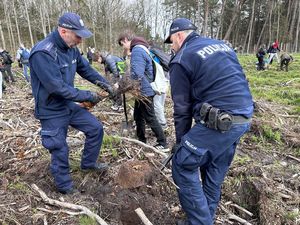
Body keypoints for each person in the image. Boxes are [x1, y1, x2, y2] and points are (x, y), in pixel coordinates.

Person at [164, 18, 253, 225]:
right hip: (243, 117)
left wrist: (181, 142)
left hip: (221, 121)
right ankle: (205, 218)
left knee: (183, 163)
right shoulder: (222, 46)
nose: (172, 47)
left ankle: (200, 222)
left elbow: (182, 108)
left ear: (179, 35)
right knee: (214, 166)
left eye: (172, 42)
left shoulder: (182, 59)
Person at [29, 12, 117, 194]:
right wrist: (88, 95)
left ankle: (88, 164)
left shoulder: (71, 49)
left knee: (95, 129)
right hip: (51, 108)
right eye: (78, 36)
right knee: (59, 147)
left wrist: (106, 85)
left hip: (68, 104)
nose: (80, 40)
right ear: (63, 31)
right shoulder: (43, 53)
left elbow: (86, 70)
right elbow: (57, 88)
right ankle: (65, 187)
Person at [118, 33, 168, 150]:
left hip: (144, 91)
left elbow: (137, 74)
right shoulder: (142, 49)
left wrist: (123, 84)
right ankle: (141, 139)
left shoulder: (137, 50)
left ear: (126, 40)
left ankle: (162, 142)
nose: (124, 48)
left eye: (122, 44)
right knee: (138, 115)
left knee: (150, 117)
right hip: (141, 91)